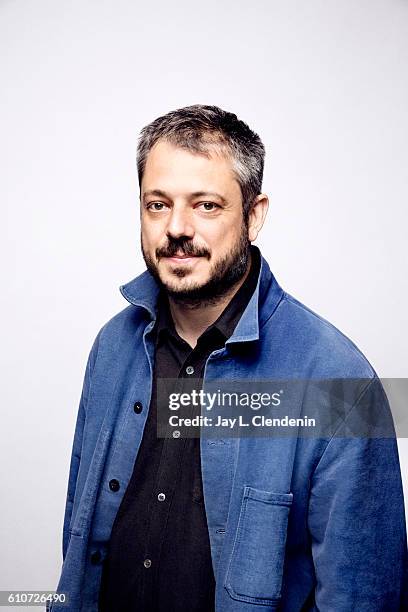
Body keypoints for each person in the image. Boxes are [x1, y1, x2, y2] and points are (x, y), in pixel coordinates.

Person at [49, 105, 407, 612]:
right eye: (157, 204)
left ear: (254, 215)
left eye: (206, 206)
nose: (176, 228)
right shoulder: (113, 347)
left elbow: (365, 597)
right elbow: (78, 536)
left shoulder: (341, 383)